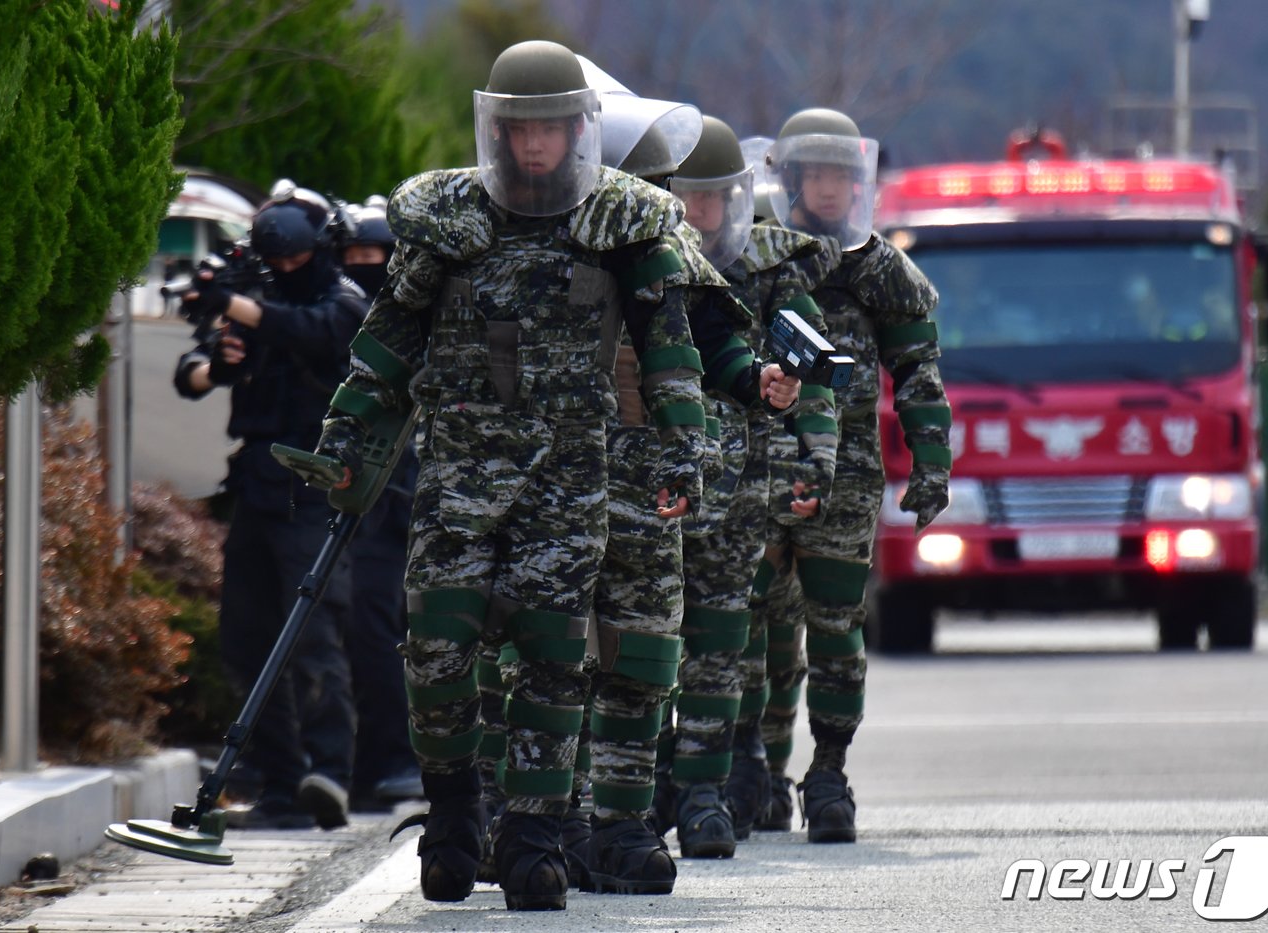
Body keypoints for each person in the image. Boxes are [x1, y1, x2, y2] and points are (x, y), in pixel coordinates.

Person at [312, 40, 708, 912]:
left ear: (579, 131)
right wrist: (348, 431)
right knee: (439, 648)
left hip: (570, 478)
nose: (536, 148)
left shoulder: (625, 224)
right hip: (458, 474)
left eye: (552, 131)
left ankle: (532, 839)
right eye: (522, 131)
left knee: (553, 655)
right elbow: (391, 339)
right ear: (500, 131)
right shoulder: (448, 220)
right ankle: (454, 816)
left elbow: (668, 346)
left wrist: (684, 445)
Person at [745, 107, 950, 843]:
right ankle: (755, 765)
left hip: (851, 473)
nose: (829, 189)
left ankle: (827, 770)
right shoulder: (756, 255)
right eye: (816, 174)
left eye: (842, 175)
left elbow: (919, 369)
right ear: (792, 178)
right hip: (757, 467)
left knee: (834, 625)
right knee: (752, 620)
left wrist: (931, 463)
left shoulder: (880, 270)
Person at [655, 116, 841, 854]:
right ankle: (635, 788)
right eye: (686, 196)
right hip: (651, 481)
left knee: (725, 638)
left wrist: (813, 461)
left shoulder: (770, 269)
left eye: (713, 198)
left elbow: (813, 370)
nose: (700, 214)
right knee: (635, 637)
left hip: (738, 488)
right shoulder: (643, 258)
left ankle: (715, 780)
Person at [173, 182, 366, 831]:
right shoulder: (253, 299)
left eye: (294, 260)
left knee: (312, 634)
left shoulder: (339, 299)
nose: (284, 270)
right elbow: (193, 370)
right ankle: (282, 782)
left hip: (315, 489)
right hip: (256, 487)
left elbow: (321, 331)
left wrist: (245, 310)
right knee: (247, 638)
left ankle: (330, 774)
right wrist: (220, 362)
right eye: (274, 262)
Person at [330, 196, 423, 811]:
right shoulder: (343, 316)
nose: (366, 267)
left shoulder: (411, 310)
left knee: (394, 629)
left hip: (402, 496)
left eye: (377, 258)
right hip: (349, 492)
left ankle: (399, 757)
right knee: (355, 631)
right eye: (354, 257)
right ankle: (360, 763)